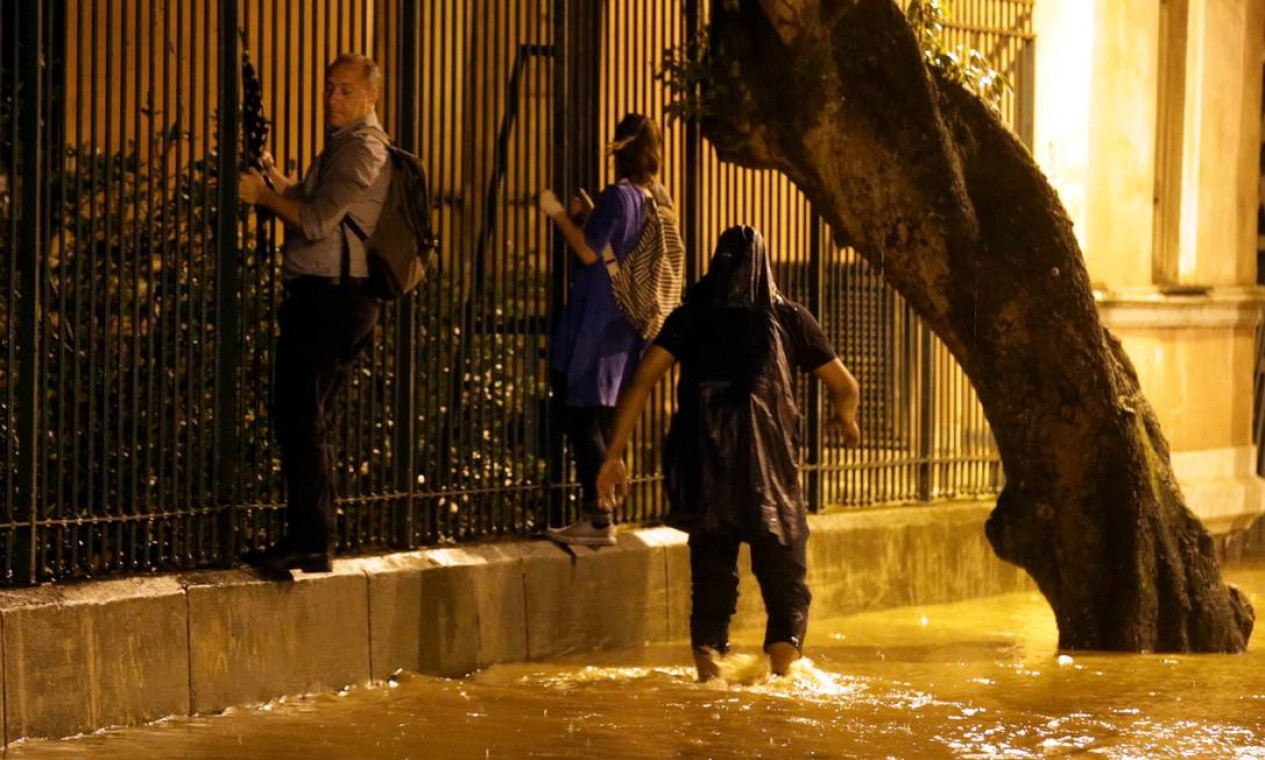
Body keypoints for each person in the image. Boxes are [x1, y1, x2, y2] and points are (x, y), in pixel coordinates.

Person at [596, 226, 861, 681]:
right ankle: (782, 685)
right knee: (786, 586)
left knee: (712, 583)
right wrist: (846, 418)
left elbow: (642, 379)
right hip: (770, 478)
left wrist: (614, 455)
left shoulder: (690, 317)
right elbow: (845, 385)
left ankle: (710, 683)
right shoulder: (791, 318)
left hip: (707, 474)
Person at [237, 53, 391, 577]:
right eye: (329, 87)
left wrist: (262, 195)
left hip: (334, 299)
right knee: (299, 414)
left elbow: (317, 219)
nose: (332, 98)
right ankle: (307, 537)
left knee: (303, 416)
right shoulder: (343, 147)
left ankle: (311, 541)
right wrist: (275, 179)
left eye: (345, 90)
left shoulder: (362, 149)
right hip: (324, 297)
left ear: (371, 97)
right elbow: (306, 196)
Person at [538, 113, 671, 547]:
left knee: (581, 416)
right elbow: (621, 245)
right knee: (600, 415)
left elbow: (589, 253)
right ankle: (606, 504)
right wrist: (591, 214)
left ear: (620, 148)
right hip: (626, 323)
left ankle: (599, 517)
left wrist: (555, 211)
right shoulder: (656, 197)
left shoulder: (618, 195)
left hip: (597, 316)